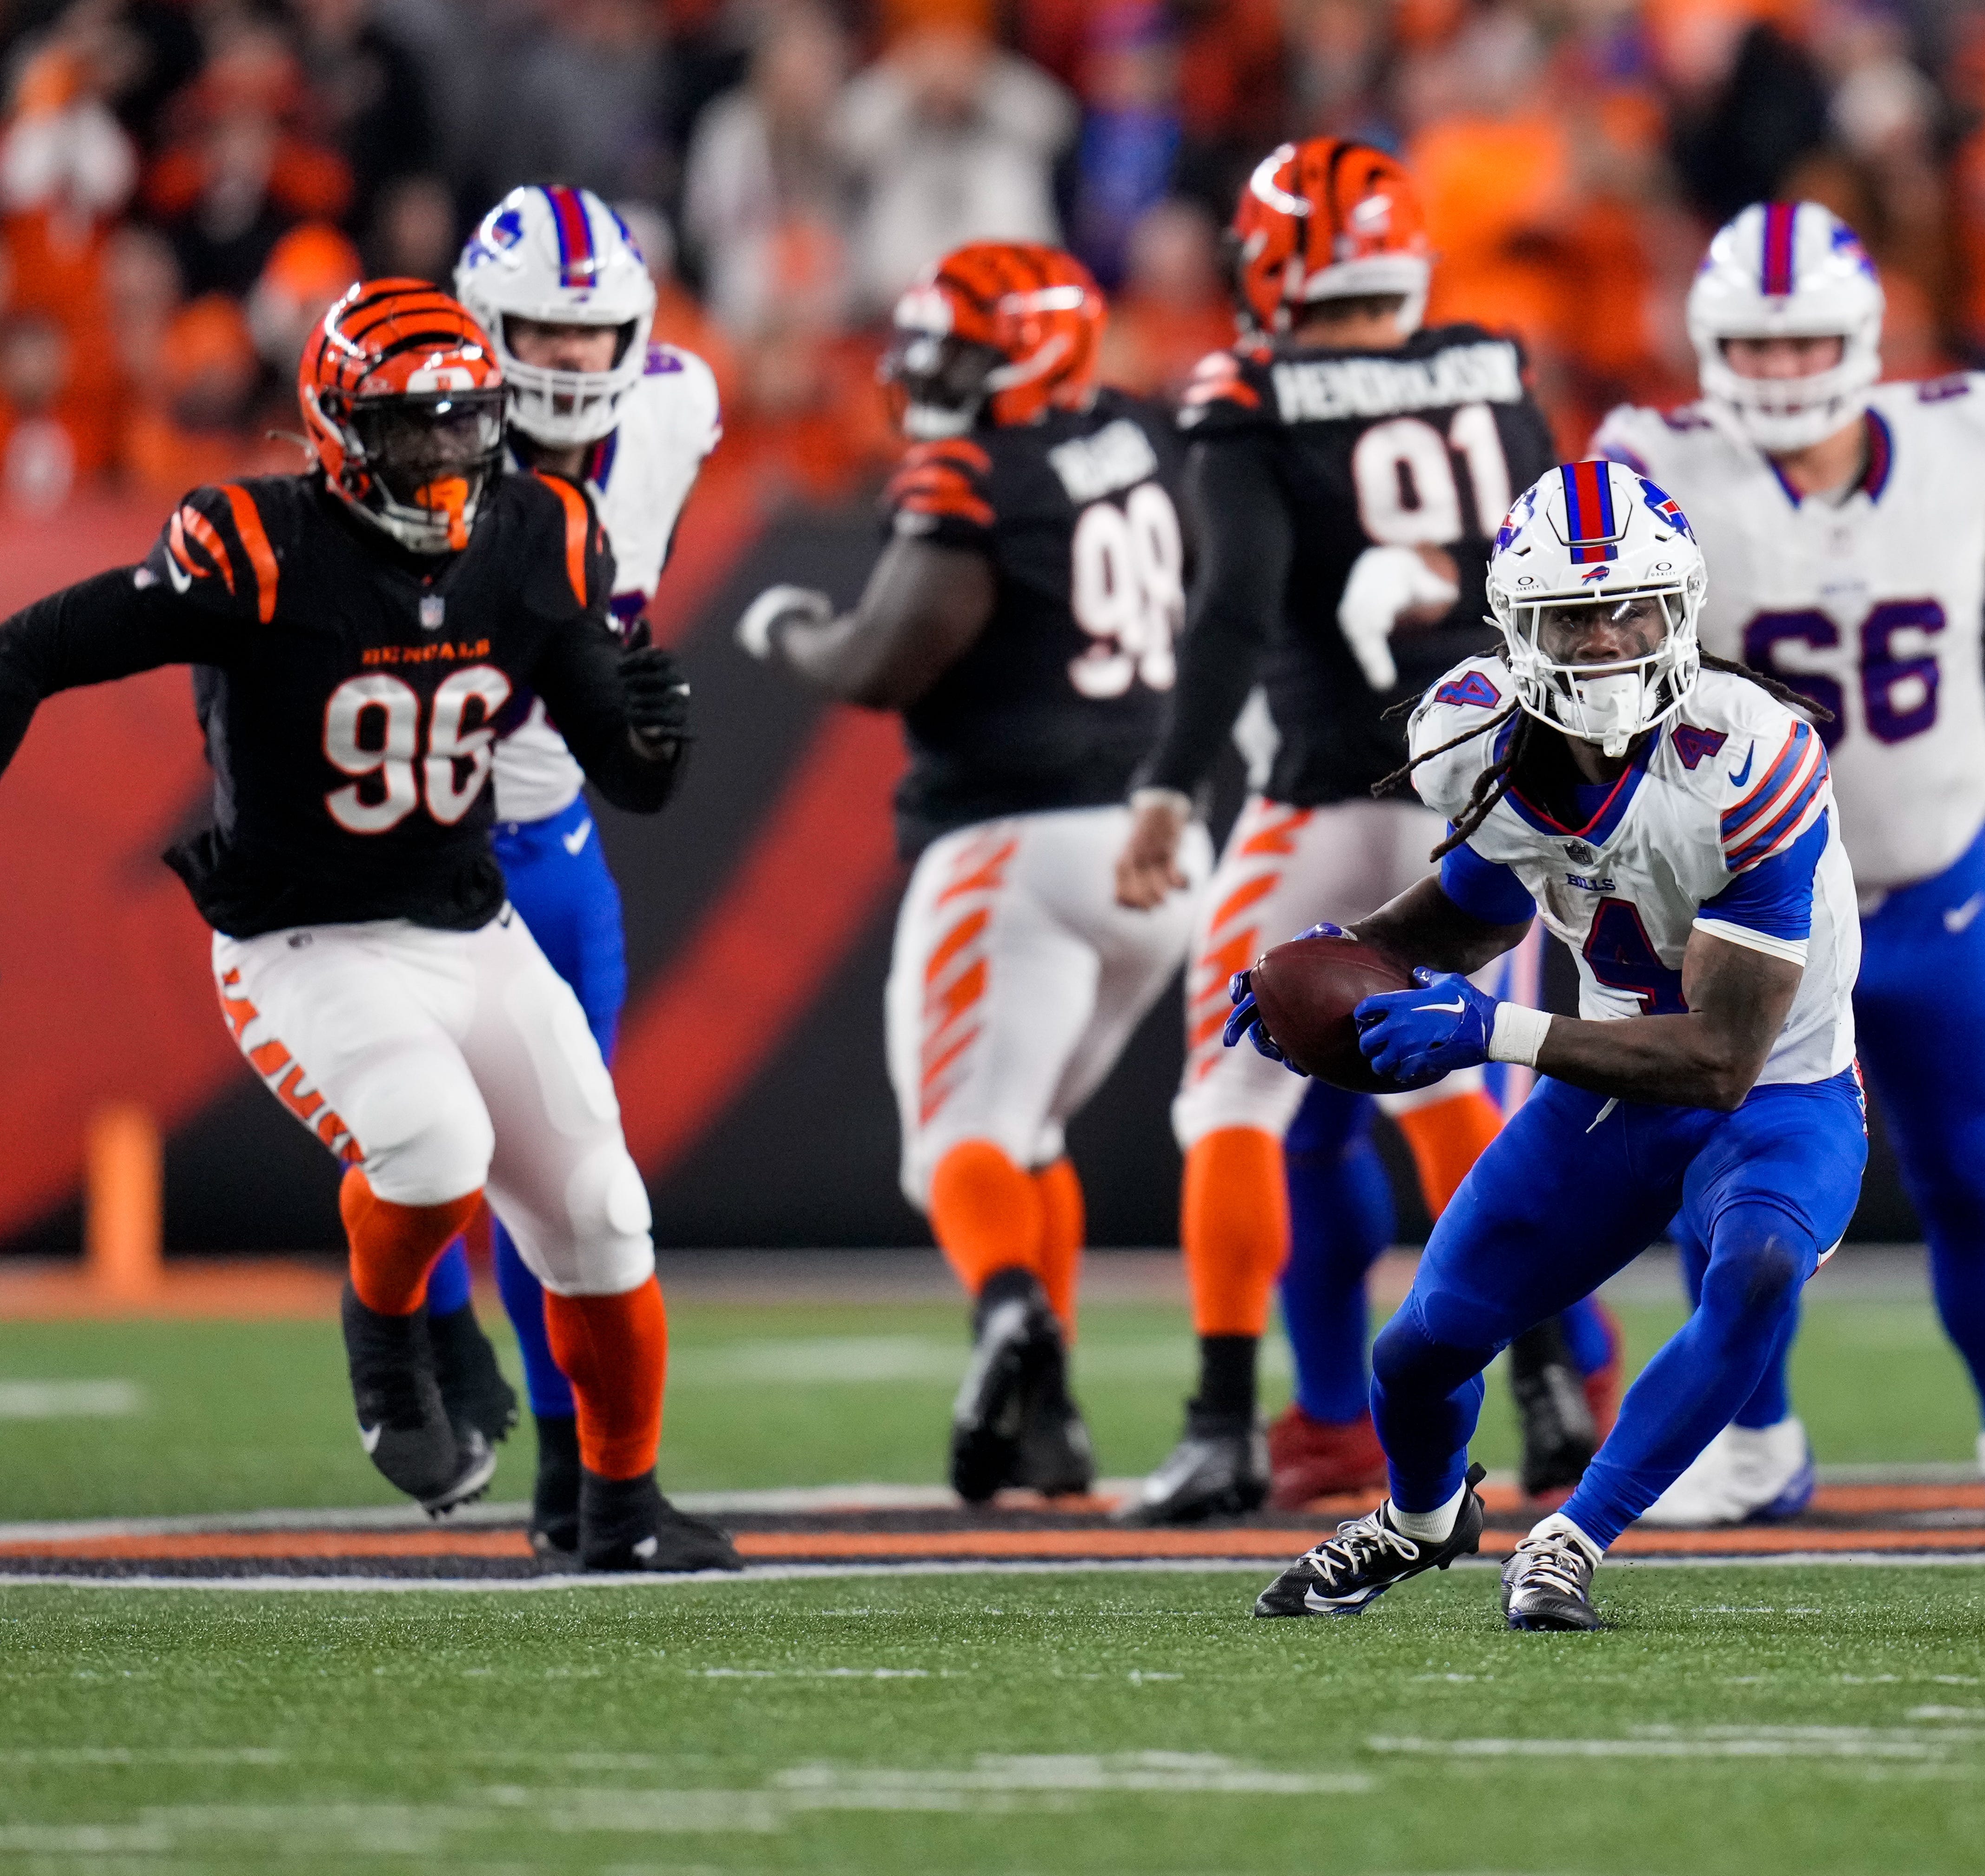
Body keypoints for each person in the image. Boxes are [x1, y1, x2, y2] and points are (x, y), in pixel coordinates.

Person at [0, 279, 736, 1572]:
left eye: (463, 428)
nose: (445, 462)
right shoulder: (257, 548)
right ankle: (387, 1339)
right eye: (413, 432)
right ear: (338, 434)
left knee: (605, 1215)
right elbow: (21, 648)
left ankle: (617, 1512)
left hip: (468, 923)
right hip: (302, 940)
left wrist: (656, 740)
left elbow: (630, 775)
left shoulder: (542, 533)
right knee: (435, 1144)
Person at [1591, 200, 1985, 1524]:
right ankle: (1751, 1440)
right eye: (1746, 347)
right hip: (1750, 911)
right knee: (1724, 1189)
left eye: (1797, 343)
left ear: (1861, 337)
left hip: (1934, 889)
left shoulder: (1952, 438)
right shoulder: (1656, 462)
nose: (1770, 371)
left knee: (1975, 1182)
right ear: (1707, 346)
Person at [1234, 458, 1867, 1631]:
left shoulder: (1747, 760)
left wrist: (1493, 1033)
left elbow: (1722, 1059)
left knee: (1758, 1269)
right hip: (1613, 1082)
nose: (1605, 636)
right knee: (1416, 1356)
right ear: (1517, 627)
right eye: (1572, 613)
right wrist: (1332, 966)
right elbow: (1481, 897)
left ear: (1680, 607)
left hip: (1777, 1087)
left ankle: (1571, 1536)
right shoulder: (1478, 735)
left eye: (1630, 604)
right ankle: (1421, 1520)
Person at [1109, 137, 1609, 1525]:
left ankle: (1217, 1422)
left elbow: (1226, 614)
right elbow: (1555, 556)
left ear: (1271, 264)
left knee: (1232, 1100)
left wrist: (1165, 783)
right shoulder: (1493, 365)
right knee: (1464, 1085)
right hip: (1489, 789)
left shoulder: (1249, 391)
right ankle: (1554, 1381)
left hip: (1324, 784)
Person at [759, 242, 1200, 1504]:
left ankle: (1007, 1310)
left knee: (952, 1147)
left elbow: (880, 663)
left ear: (1034, 354)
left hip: (1017, 845)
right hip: (1158, 844)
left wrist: (782, 628)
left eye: (961, 353)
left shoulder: (973, 474)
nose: (928, 374)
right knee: (1029, 1134)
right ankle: (1050, 1423)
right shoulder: (1127, 435)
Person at [402, 183, 722, 1564]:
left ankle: (577, 1489)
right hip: (412, 844)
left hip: (557, 842)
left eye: (595, 337)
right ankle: (410, 1338)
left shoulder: (673, 407)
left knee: (571, 1172)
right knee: (424, 1148)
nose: (571, 364)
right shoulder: (412, 437)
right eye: (542, 332)